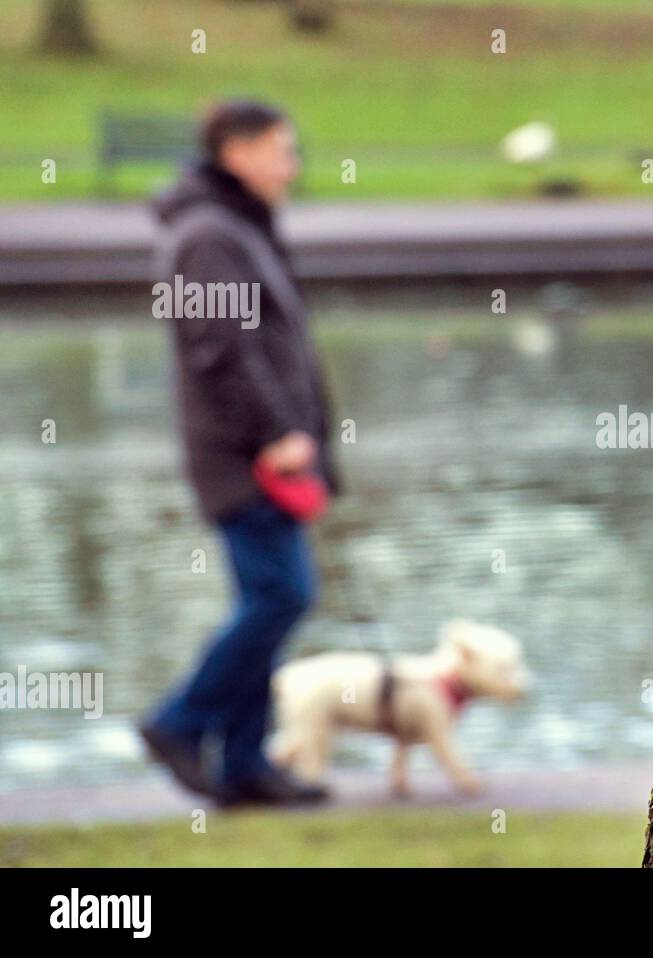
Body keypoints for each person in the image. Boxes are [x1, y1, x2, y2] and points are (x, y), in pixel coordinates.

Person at [139, 100, 339, 806]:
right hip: (246, 457)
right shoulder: (208, 237)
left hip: (269, 454)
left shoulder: (237, 228)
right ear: (238, 152)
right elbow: (221, 350)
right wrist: (275, 435)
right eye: (282, 151)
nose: (293, 167)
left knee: (270, 598)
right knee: (282, 595)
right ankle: (179, 722)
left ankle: (246, 765)